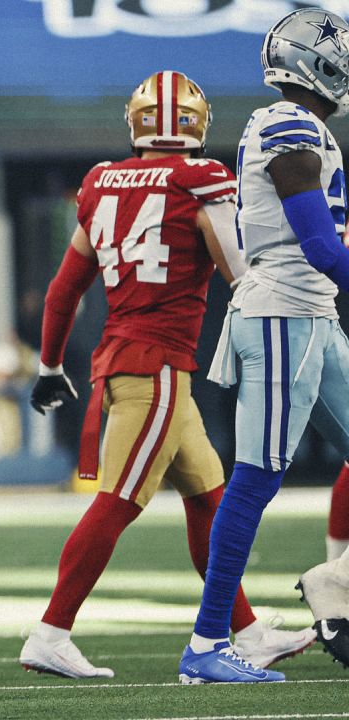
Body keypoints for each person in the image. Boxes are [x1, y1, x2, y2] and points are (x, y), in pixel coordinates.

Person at [24, 70, 316, 682]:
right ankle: (51, 632)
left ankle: (247, 632)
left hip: (143, 366)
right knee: (117, 503)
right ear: (195, 124)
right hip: (152, 367)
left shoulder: (102, 182)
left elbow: (63, 289)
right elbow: (241, 271)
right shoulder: (201, 179)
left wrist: (50, 364)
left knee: (208, 500)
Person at [184, 8, 349, 682]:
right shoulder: (290, 128)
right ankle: (206, 644)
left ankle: (337, 585)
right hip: (285, 314)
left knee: (257, 475)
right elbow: (316, 247)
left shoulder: (293, 126)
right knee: (255, 477)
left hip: (308, 313)